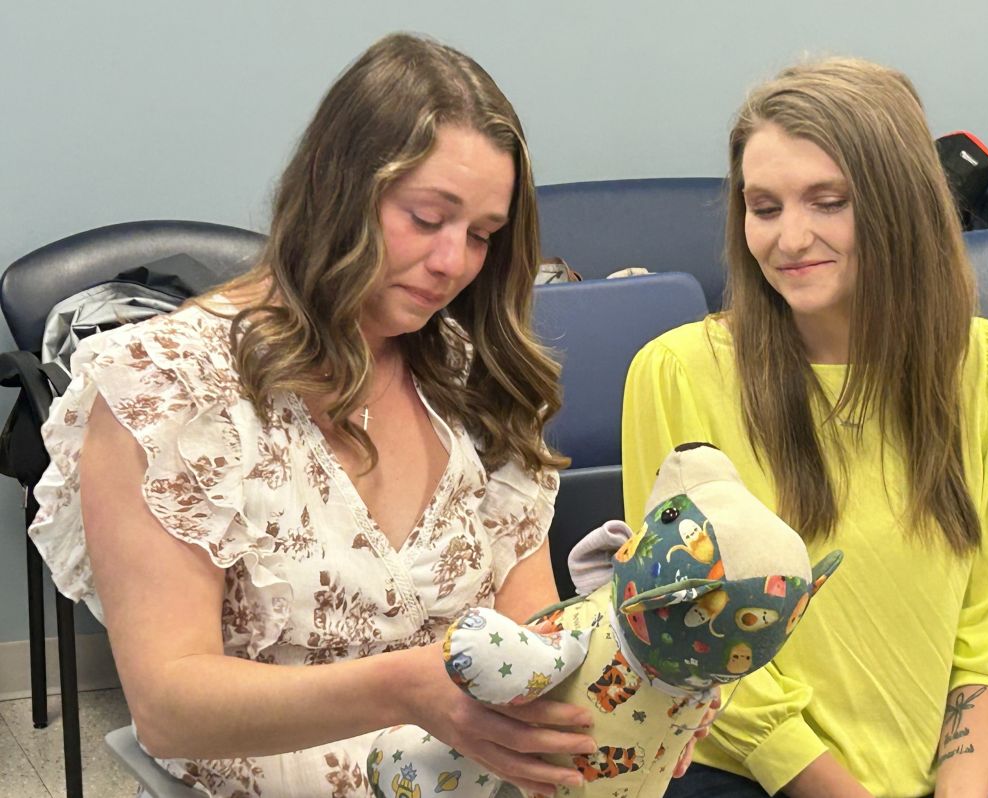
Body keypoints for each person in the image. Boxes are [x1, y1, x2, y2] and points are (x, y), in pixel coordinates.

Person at [30, 33, 599, 798]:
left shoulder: (463, 373)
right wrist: (406, 689)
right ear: (339, 189)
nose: (453, 262)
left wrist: (594, 676)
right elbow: (170, 708)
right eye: (427, 218)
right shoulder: (167, 386)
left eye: (482, 237)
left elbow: (527, 614)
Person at [622, 58, 988, 798]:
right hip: (749, 773)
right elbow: (695, 642)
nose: (790, 238)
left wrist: (962, 791)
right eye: (765, 207)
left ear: (902, 207)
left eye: (829, 201)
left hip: (938, 774)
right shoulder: (677, 374)